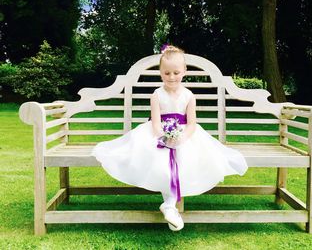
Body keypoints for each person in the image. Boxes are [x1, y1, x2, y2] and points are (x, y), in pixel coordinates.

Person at [92, 45, 248, 231]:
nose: (172, 77)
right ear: (160, 72)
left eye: (176, 72)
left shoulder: (189, 96)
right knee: (162, 162)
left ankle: (169, 206)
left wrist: (181, 138)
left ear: (184, 71)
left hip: (185, 135)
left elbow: (192, 124)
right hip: (158, 134)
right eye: (167, 73)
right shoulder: (156, 95)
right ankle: (169, 206)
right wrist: (165, 138)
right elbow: (156, 123)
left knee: (185, 159)